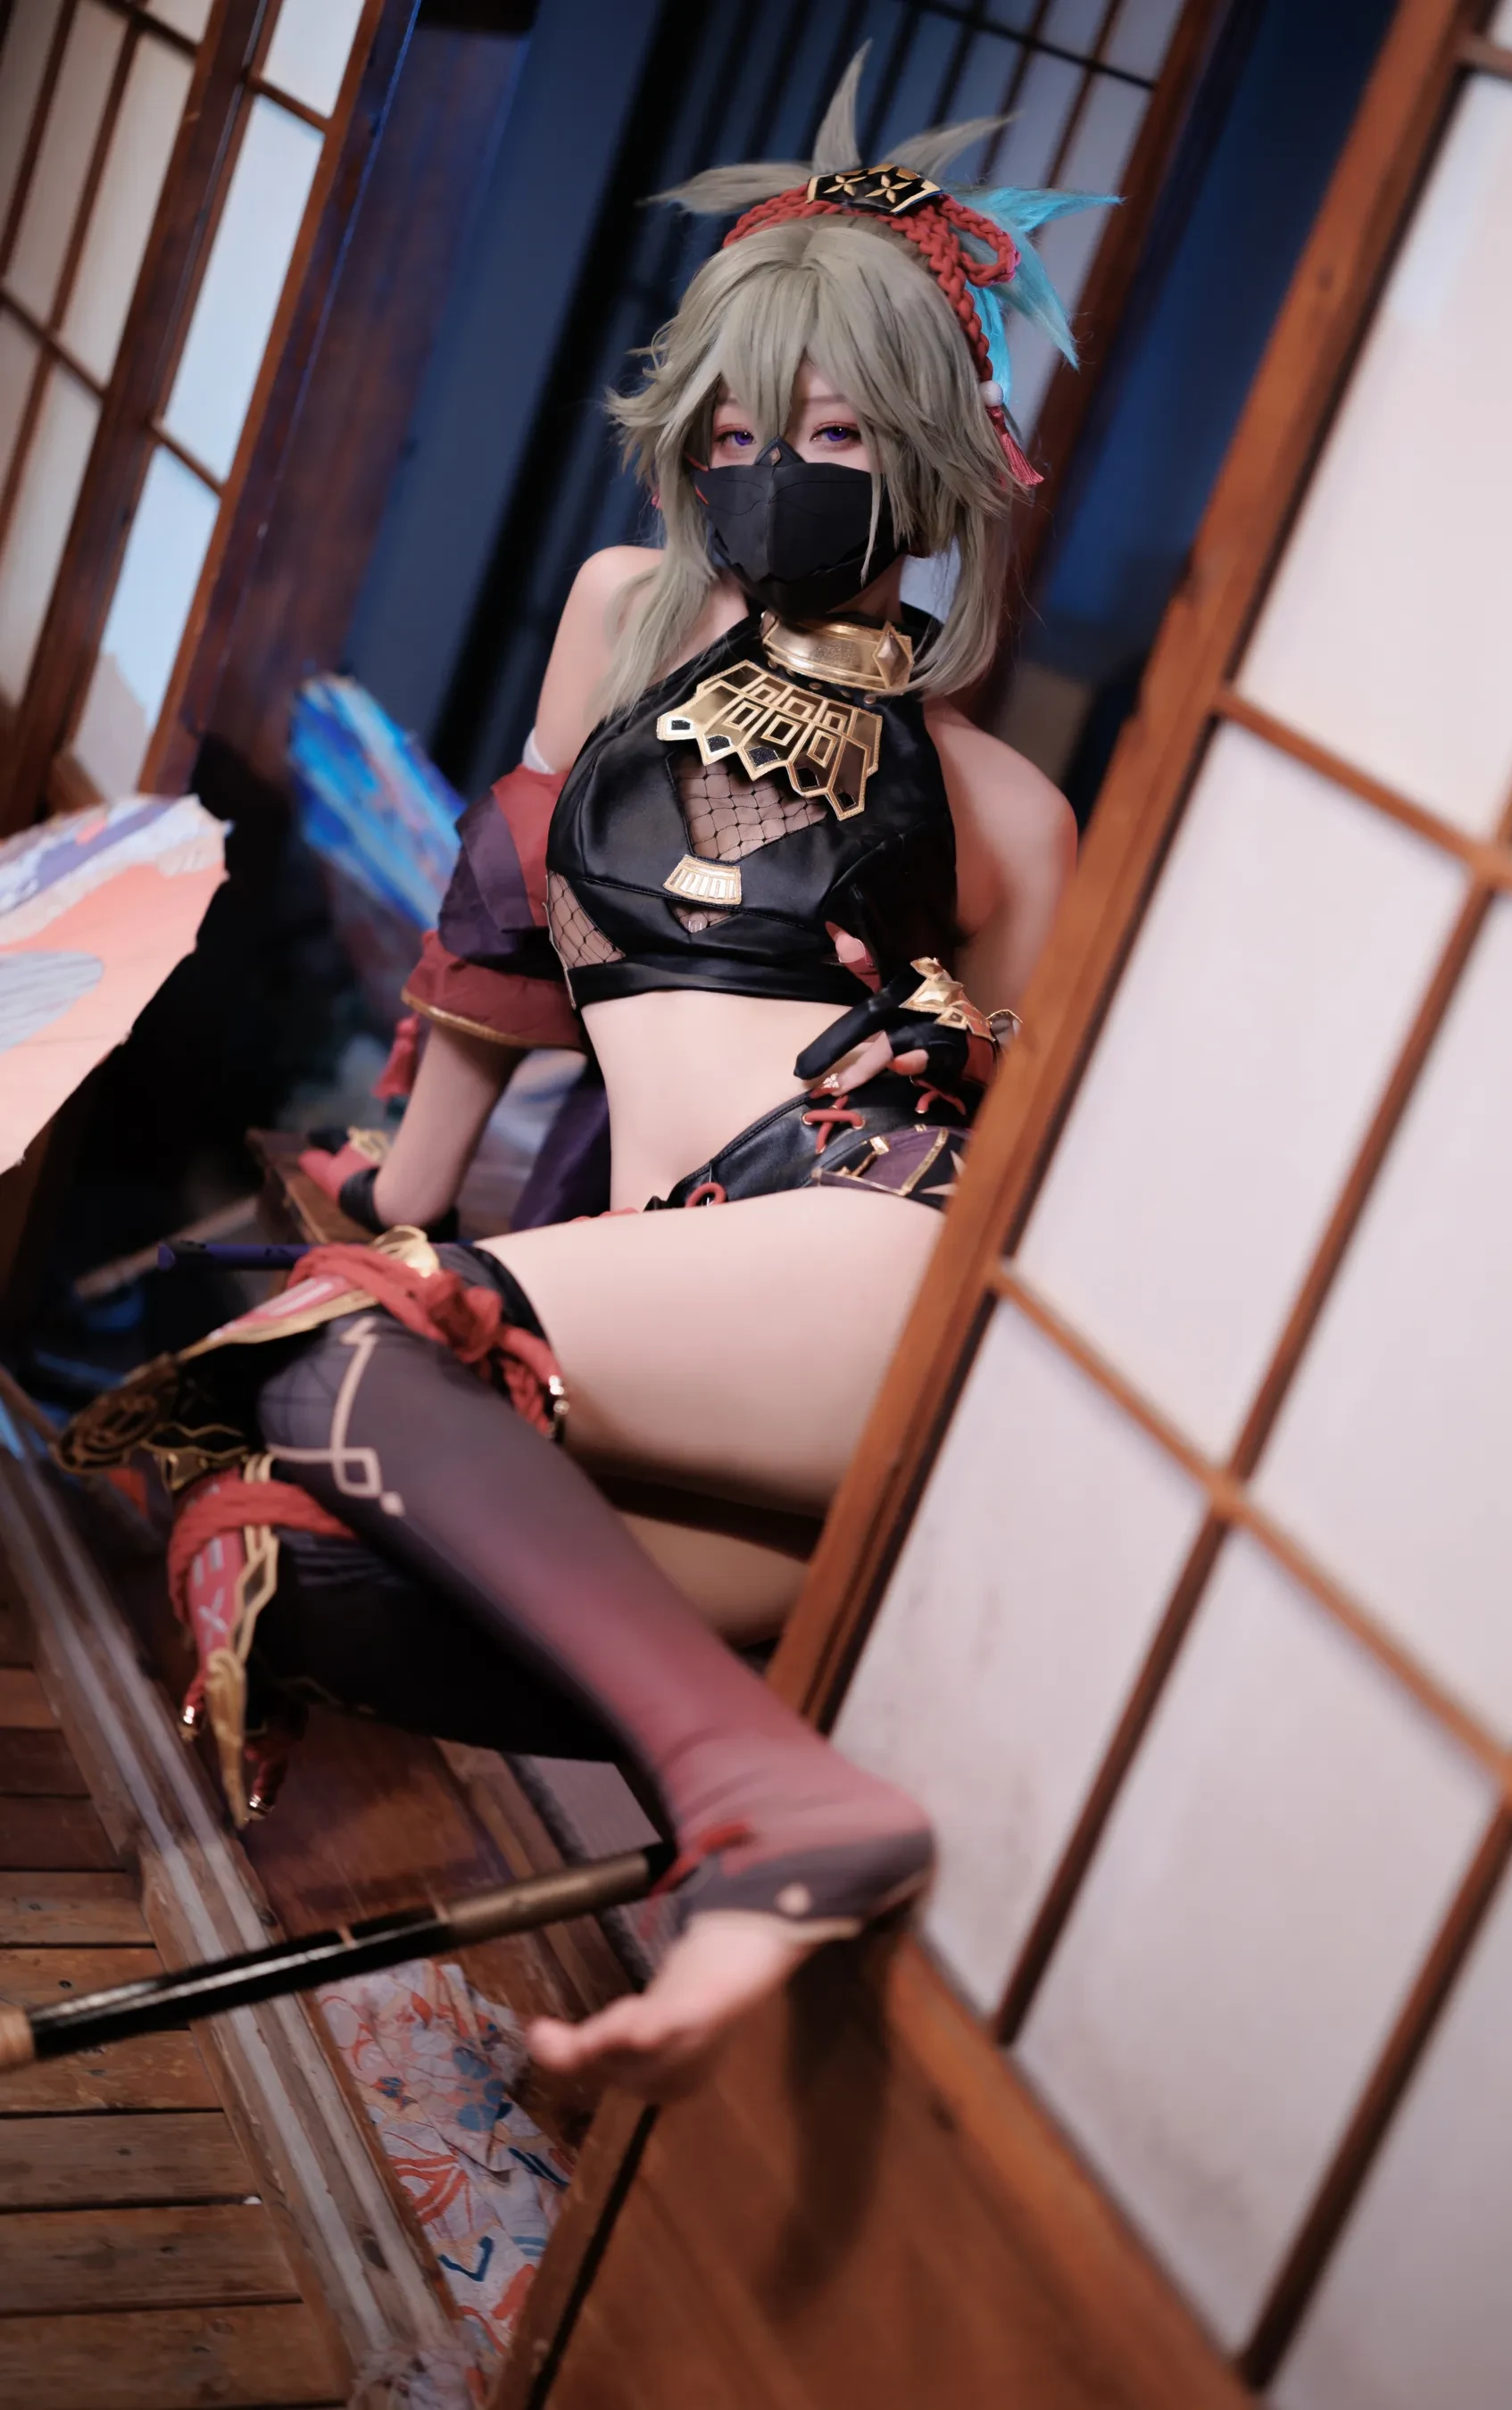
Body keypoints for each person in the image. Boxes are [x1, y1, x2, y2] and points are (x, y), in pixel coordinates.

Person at [62, 54, 1090, 2098]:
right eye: (738, 428)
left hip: (860, 1245)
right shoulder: (631, 617)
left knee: (326, 1353)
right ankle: (762, 1810)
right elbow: (502, 933)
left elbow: (1038, 1164)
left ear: (930, 456)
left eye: (831, 431)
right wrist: (412, 1184)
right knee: (284, 1544)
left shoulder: (1001, 806)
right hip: (681, 1278)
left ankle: (760, 1813)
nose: (773, 468)